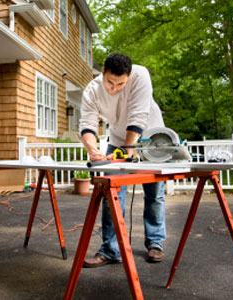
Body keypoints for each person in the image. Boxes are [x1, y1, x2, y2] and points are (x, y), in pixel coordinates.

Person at [79, 53, 166, 267]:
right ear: (103, 73)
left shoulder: (141, 75)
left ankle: (155, 243)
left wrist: (128, 150)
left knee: (154, 194)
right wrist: (92, 149)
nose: (114, 88)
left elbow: (137, 117)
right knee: (112, 194)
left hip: (150, 138)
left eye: (120, 84)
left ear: (129, 76)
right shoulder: (92, 90)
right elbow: (87, 124)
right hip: (118, 138)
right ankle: (110, 250)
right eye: (110, 82)